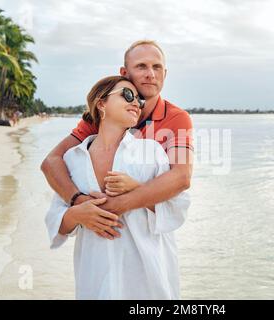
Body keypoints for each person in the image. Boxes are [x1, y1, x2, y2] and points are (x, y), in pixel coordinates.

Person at [45, 76, 190, 299]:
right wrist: (77, 213)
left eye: (139, 101)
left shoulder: (150, 151)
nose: (136, 104)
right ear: (101, 103)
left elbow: (178, 207)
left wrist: (138, 189)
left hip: (148, 282)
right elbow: (58, 225)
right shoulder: (73, 159)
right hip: (94, 278)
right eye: (128, 95)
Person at [41, 40, 194, 241]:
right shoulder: (103, 117)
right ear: (124, 72)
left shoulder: (177, 118)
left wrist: (118, 205)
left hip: (148, 235)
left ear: (165, 74)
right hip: (100, 238)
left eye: (157, 67)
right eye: (141, 66)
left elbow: (181, 177)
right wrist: (80, 202)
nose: (151, 74)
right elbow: (52, 161)